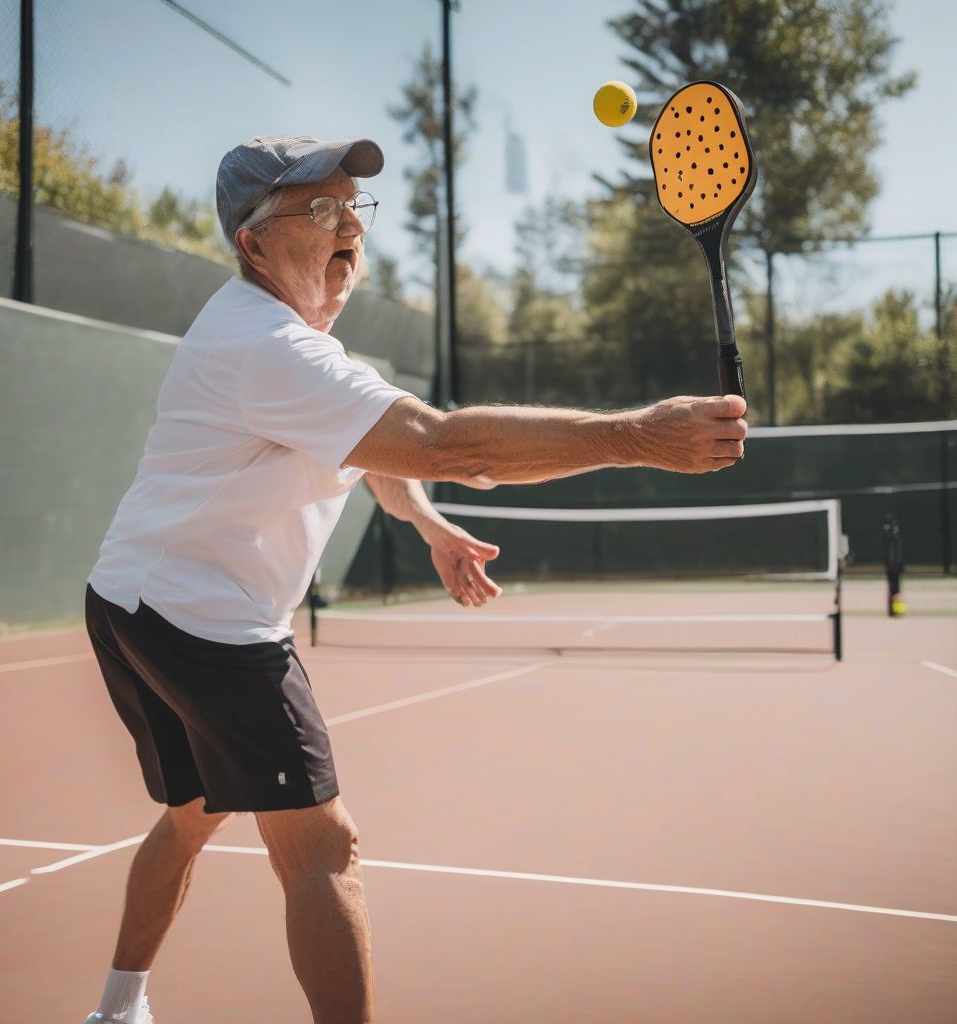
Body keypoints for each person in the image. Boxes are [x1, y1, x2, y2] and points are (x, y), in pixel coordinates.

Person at [82, 134, 747, 1024]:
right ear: (255, 243)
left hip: (127, 595)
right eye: (320, 210)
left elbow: (377, 449)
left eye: (355, 207)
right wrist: (634, 437)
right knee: (325, 849)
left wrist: (425, 522)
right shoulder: (271, 350)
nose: (348, 225)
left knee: (192, 813)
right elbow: (444, 445)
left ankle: (117, 1010)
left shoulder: (300, 344)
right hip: (207, 623)